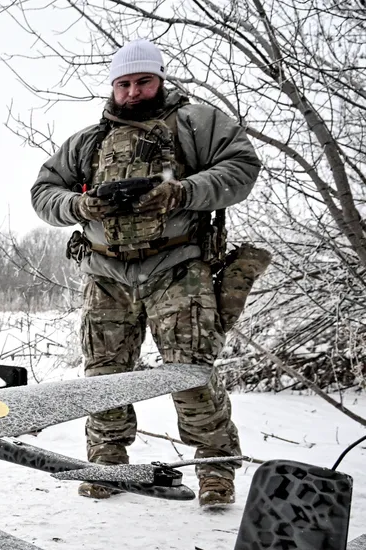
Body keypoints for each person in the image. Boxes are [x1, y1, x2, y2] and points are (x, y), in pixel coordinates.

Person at [30, 39, 263, 507]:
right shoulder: (87, 142)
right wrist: (79, 205)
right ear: (113, 87)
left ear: (159, 80)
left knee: (190, 373)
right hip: (106, 275)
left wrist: (183, 192)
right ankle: (107, 465)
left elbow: (242, 167)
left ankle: (215, 473)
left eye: (143, 81)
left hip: (177, 268)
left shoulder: (197, 123)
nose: (133, 92)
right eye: (124, 84)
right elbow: (43, 193)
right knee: (103, 377)